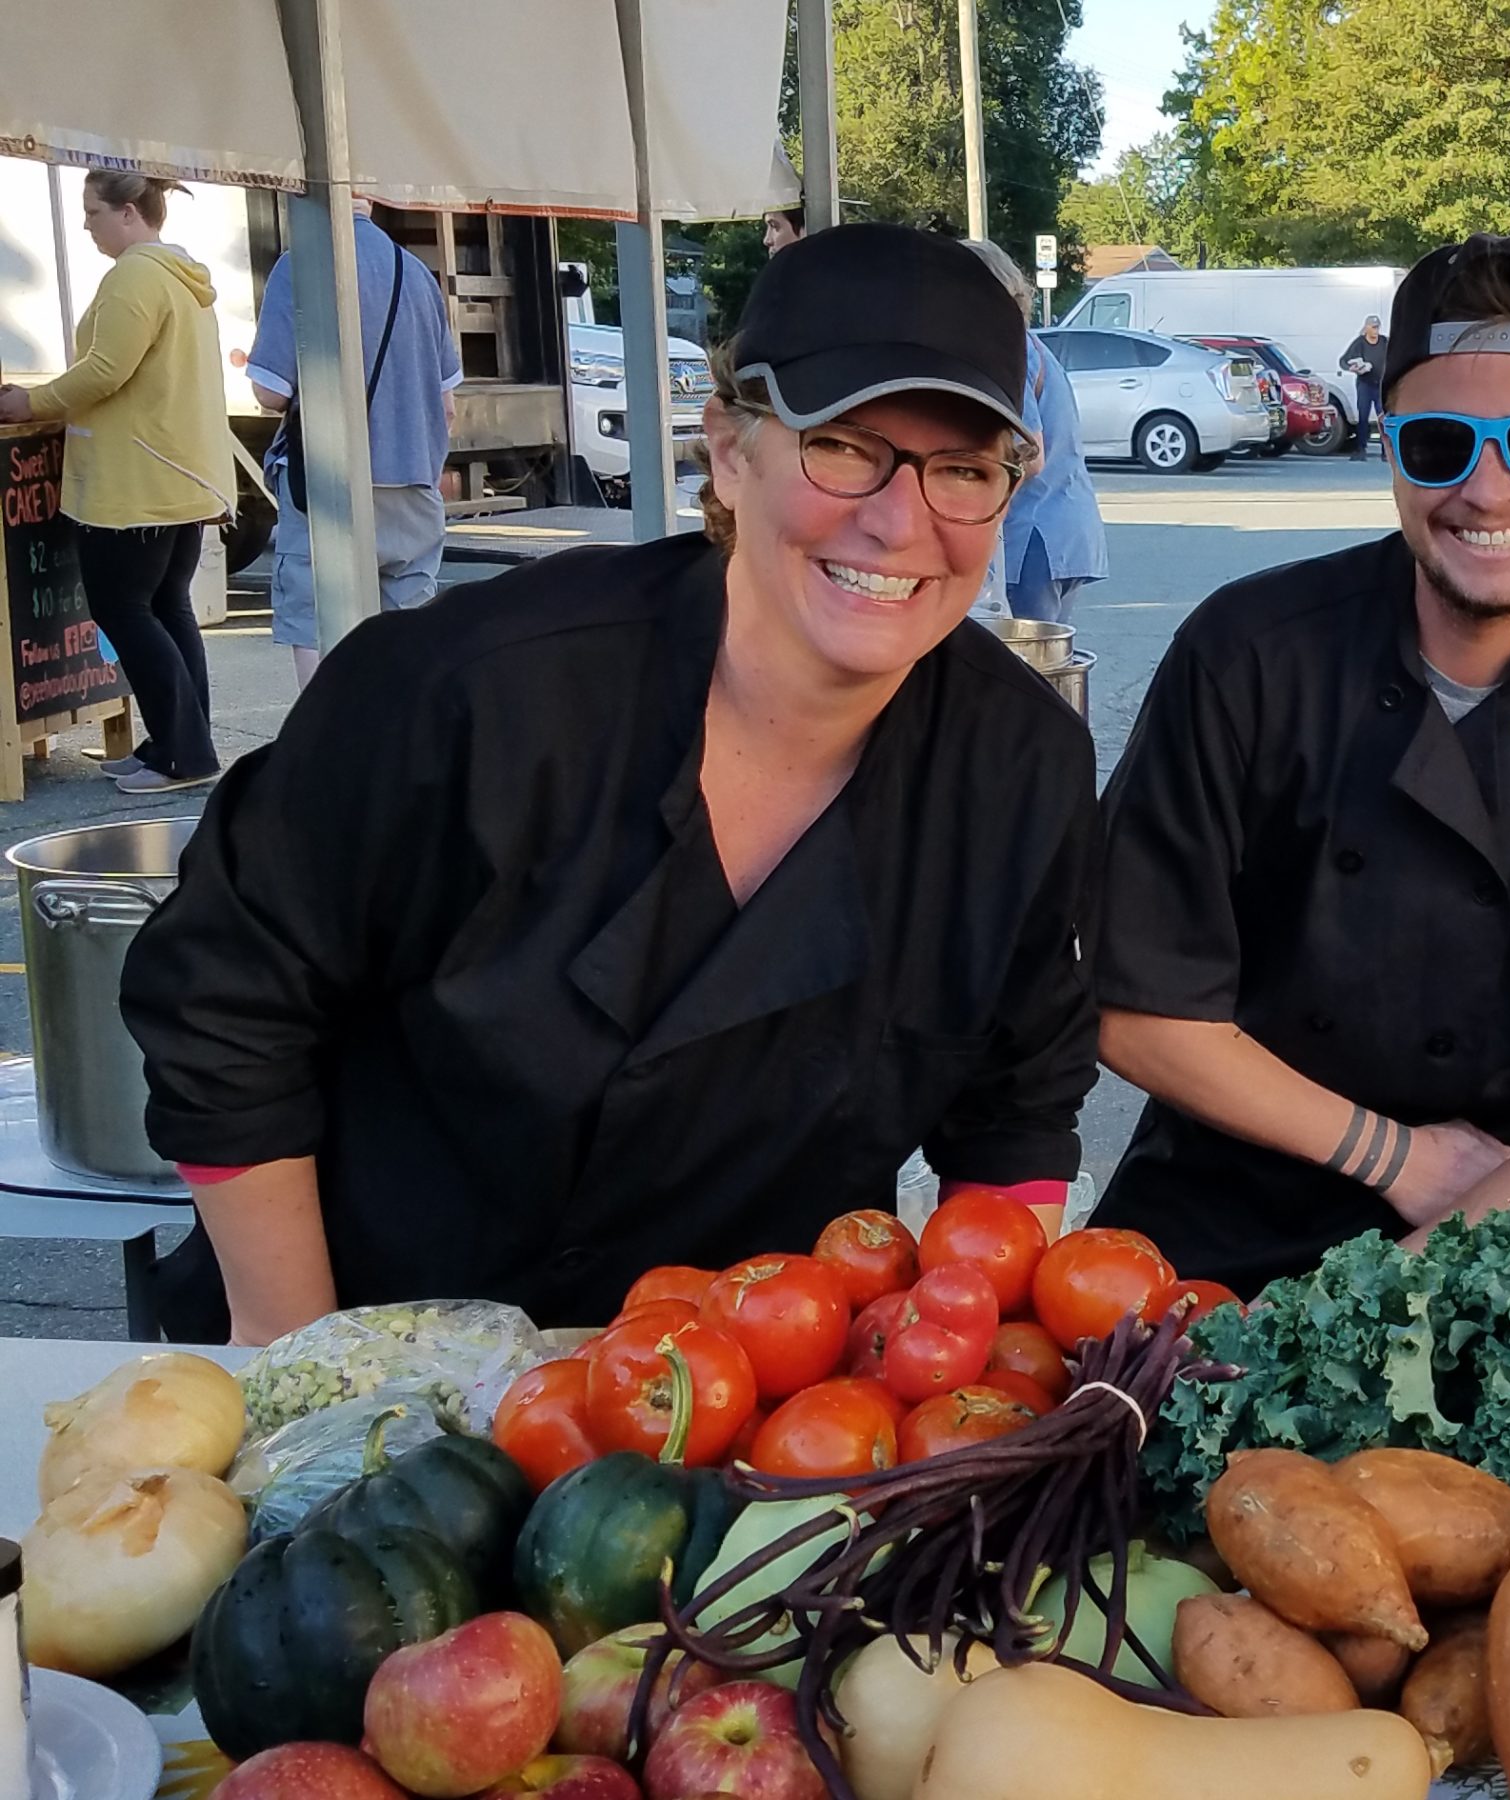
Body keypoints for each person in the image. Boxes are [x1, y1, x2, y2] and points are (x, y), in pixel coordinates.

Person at [120, 225, 1100, 1344]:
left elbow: (1018, 1116)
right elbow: (227, 997)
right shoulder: (473, 691)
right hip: (376, 1354)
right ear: (730, 450)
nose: (899, 517)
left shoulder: (1021, 771)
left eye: (965, 470)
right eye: (844, 446)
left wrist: (972, 1397)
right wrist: (302, 1372)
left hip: (740, 1404)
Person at [1090, 234, 1510, 1297]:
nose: (1489, 492)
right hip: (1209, 1227)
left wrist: (1346, 1326)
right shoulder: (1248, 654)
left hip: (1485, 1247)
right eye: (1441, 444)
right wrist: (1394, 1155)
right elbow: (1134, 1003)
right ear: (1389, 444)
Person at [0, 172, 236, 795]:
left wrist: (32, 402)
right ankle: (184, 742)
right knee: (166, 608)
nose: (87, 225)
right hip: (180, 477)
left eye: (93, 212)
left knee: (125, 610)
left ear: (130, 213)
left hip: (135, 482)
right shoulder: (182, 278)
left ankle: (181, 755)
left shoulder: (134, 275)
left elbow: (105, 370)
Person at [245, 206, 460, 688]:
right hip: (413, 486)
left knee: (318, 623)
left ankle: (330, 757)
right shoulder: (415, 272)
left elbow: (271, 391)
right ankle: (405, 752)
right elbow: (447, 405)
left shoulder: (300, 265)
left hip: (327, 486)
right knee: (409, 635)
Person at [961, 240, 1106, 624]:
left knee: (1024, 665)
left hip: (1035, 534)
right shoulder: (1033, 345)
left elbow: (1032, 456)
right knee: (1049, 661)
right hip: (1066, 531)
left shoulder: (1010, 350)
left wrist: (971, 502)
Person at [1340, 314, 1387, 459]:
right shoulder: (1359, 343)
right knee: (1363, 417)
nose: (1375, 331)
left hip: (1380, 385)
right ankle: (1361, 449)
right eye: (1373, 327)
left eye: (1377, 327)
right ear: (1366, 328)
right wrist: (1353, 368)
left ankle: (1386, 452)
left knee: (1383, 418)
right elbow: (1343, 361)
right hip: (1364, 385)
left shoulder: (1385, 342)